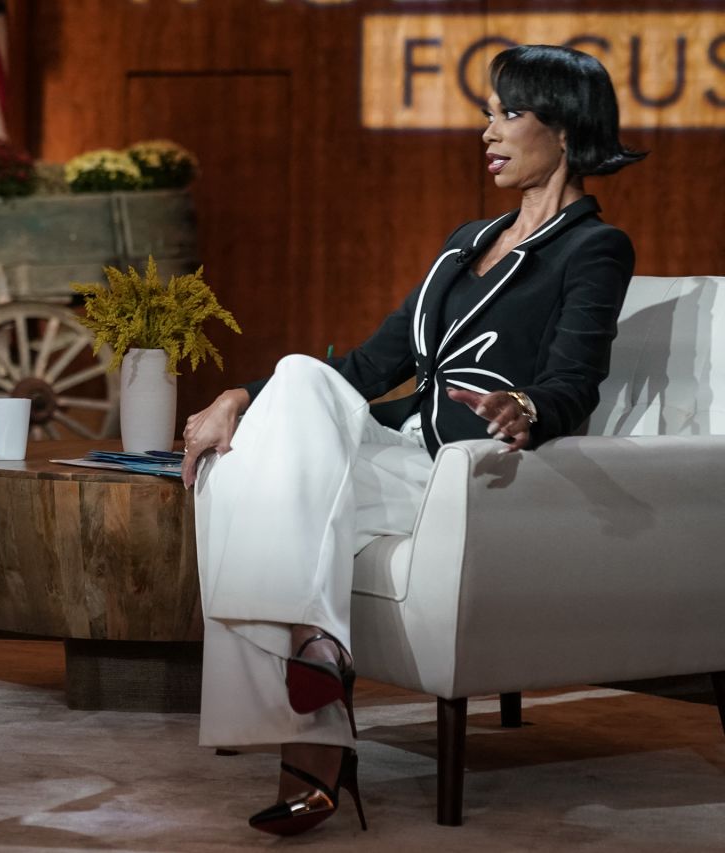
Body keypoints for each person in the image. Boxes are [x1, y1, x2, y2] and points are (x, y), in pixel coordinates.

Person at [179, 44, 645, 836]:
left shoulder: (592, 248)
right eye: (486, 115)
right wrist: (237, 397)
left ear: (564, 130)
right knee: (273, 411)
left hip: (462, 470)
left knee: (255, 468)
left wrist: (528, 407)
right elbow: (365, 368)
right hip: (396, 447)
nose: (487, 132)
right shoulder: (467, 241)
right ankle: (317, 653)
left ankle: (315, 754)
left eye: (508, 113)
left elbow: (577, 376)